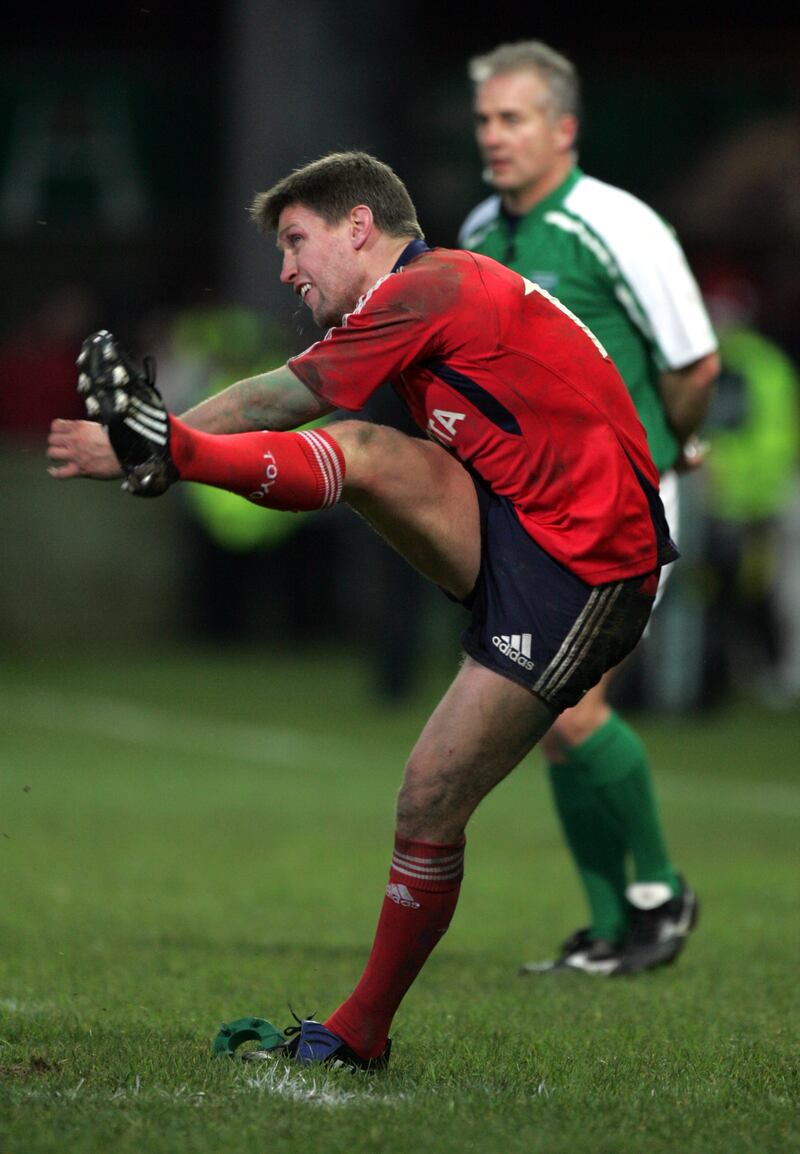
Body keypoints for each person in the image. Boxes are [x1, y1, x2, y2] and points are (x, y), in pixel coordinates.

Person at [48, 151, 677, 1069]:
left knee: (428, 797)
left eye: (297, 242)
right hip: (519, 528)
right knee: (369, 455)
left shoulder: (427, 288)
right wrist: (153, 439)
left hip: (588, 564)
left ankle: (363, 1031)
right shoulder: (430, 293)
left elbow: (281, 393)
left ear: (359, 228)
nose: (286, 269)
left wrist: (161, 441)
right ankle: (367, 1031)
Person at [459, 41, 720, 974]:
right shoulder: (482, 229)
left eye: (513, 118)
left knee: (567, 711)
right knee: (552, 718)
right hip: (535, 515)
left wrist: (671, 452)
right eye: (485, 118)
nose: (493, 135)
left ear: (564, 128)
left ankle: (658, 894)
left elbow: (695, 364)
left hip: (624, 509)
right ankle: (610, 930)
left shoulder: (620, 224)